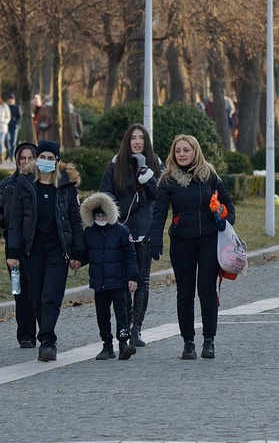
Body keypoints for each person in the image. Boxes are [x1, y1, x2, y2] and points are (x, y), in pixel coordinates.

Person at [148, 135, 234, 360]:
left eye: (186, 150)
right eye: (178, 151)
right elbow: (159, 212)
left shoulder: (209, 175)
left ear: (195, 151)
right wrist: (155, 238)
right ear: (173, 154)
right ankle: (188, 342)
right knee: (184, 293)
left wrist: (226, 221)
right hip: (181, 241)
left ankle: (209, 341)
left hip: (208, 240)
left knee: (206, 288)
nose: (182, 154)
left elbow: (228, 203)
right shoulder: (166, 180)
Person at [5, 140, 85, 362]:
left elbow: (75, 221)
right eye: (43, 157)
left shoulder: (67, 187)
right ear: (37, 159)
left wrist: (78, 252)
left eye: (51, 158)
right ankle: (45, 335)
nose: (46, 162)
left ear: (57, 161)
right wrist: (13, 252)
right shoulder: (25, 185)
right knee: (36, 297)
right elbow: (16, 221)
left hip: (58, 250)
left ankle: (48, 341)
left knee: (51, 296)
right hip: (32, 250)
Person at [99, 124, 162, 349]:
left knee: (143, 279)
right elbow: (105, 193)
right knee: (125, 280)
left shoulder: (155, 163)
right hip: (122, 231)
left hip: (146, 229)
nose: (137, 142)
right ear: (127, 141)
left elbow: (160, 196)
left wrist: (148, 177)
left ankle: (137, 328)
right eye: (133, 138)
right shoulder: (116, 164)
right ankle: (124, 325)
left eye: (141, 138)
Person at [79, 193, 139, 361]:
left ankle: (123, 343)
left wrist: (133, 277)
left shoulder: (121, 231)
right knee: (102, 316)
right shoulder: (89, 232)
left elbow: (130, 255)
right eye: (97, 215)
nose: (100, 218)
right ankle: (107, 345)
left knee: (122, 313)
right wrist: (76, 261)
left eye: (103, 215)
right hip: (99, 283)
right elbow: (86, 254)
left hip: (119, 282)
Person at [0, 142, 37, 348]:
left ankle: (45, 331)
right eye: (22, 158)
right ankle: (25, 334)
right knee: (20, 291)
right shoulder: (6, 186)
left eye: (29, 158)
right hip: (14, 246)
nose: (25, 162)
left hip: (38, 244)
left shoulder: (44, 183)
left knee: (37, 290)